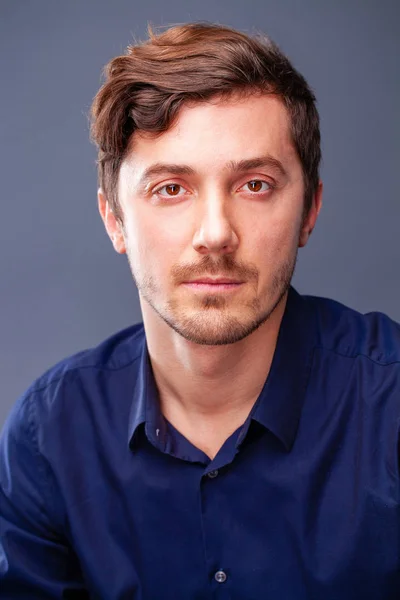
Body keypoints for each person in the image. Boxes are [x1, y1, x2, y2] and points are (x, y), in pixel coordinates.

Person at [0, 21, 399, 600]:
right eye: (170, 188)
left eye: (256, 184)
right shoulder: (49, 436)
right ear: (114, 219)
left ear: (309, 209)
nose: (215, 234)